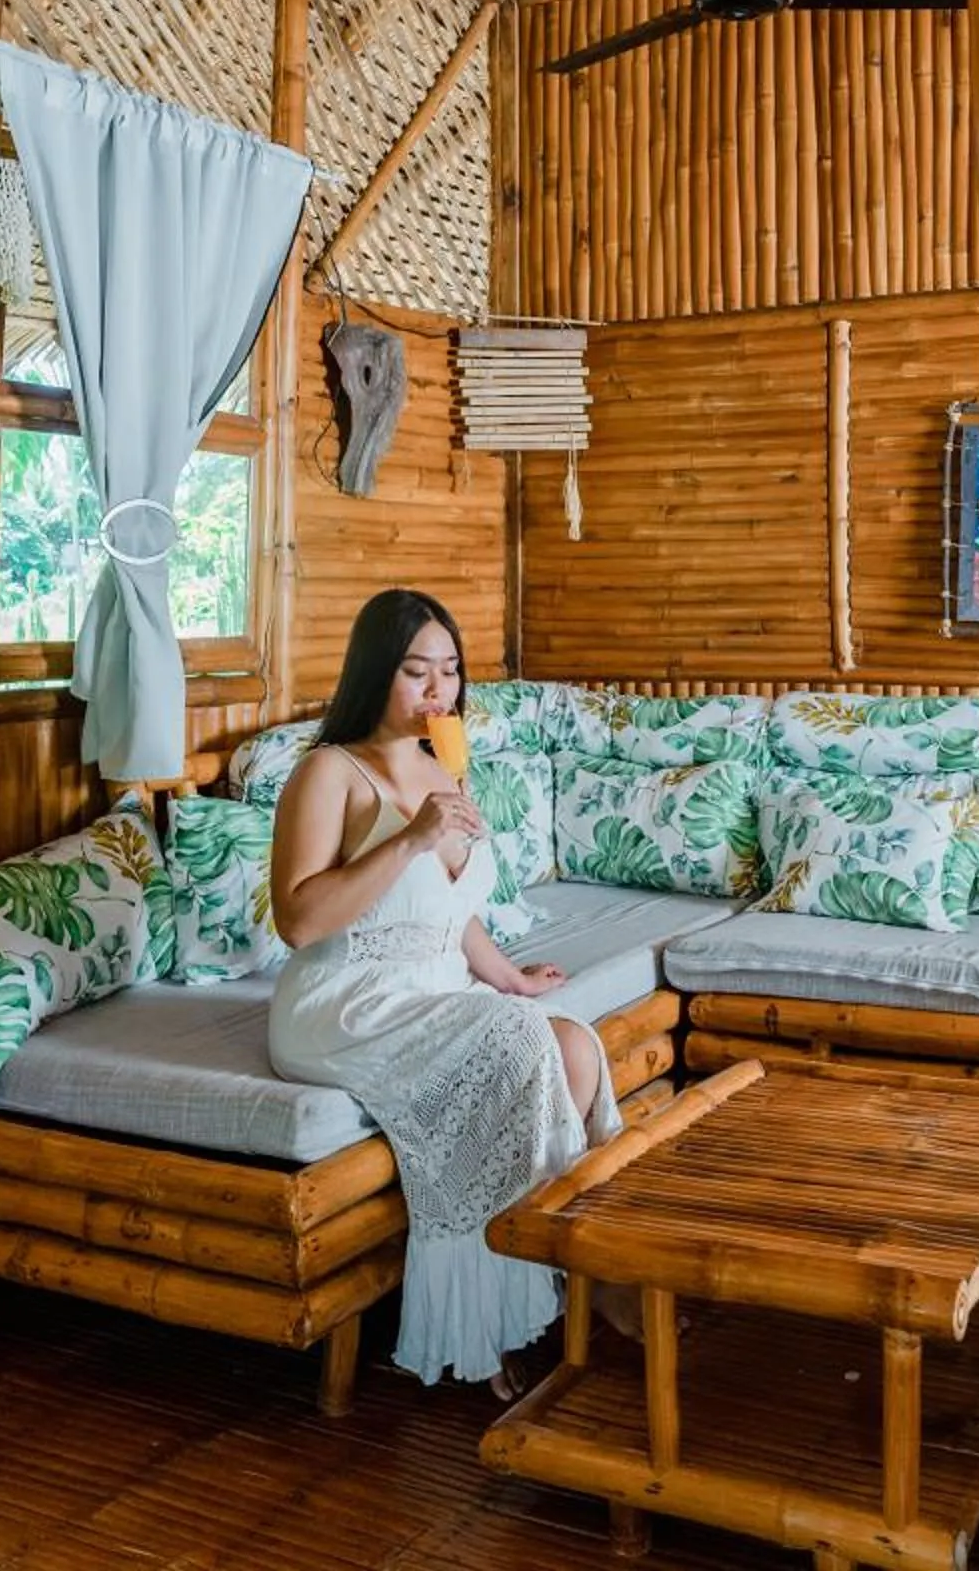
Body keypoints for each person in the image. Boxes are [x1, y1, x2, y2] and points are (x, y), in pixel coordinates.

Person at [266, 589, 618, 1389]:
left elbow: (450, 911)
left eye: (451, 672)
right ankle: (512, 1321)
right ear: (372, 675)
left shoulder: (441, 764)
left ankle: (554, 1279)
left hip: (434, 988)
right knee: (522, 1041)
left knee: (570, 1041)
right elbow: (298, 920)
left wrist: (506, 976)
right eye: (417, 672)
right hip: (346, 999)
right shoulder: (329, 772)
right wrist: (412, 838)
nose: (439, 692)